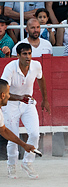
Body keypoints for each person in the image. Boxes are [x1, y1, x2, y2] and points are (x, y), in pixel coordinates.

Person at [2, 41, 48, 178]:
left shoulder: (36, 65)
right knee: (13, 137)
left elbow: (41, 79)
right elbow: (3, 92)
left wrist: (45, 99)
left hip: (28, 103)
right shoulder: (10, 68)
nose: (27, 57)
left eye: (29, 54)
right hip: (10, 104)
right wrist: (19, 97)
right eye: (24, 54)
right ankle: (11, 164)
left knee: (34, 134)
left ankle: (27, 162)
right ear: (18, 55)